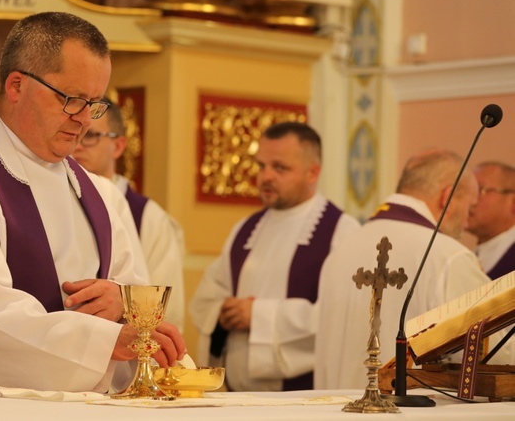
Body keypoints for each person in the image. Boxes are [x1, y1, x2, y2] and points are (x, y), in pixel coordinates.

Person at [0, 11, 186, 397]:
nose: (83, 120)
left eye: (93, 104)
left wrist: (124, 304)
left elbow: (136, 298)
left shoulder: (96, 191)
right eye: (72, 100)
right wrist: (102, 343)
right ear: (16, 85)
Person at [188, 122, 360, 391]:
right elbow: (207, 298)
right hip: (237, 398)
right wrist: (223, 311)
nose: (265, 176)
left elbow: (343, 318)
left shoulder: (341, 231)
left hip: (303, 399)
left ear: (312, 172)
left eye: (279, 168)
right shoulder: (246, 229)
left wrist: (258, 315)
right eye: (261, 166)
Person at [314, 149, 493, 389]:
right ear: (447, 198)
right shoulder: (448, 256)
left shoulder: (341, 249)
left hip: (333, 411)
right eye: (469, 208)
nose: (467, 222)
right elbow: (498, 353)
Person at [71, 103, 187, 331]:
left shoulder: (149, 218)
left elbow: (165, 305)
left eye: (91, 135)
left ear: (118, 145)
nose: (78, 145)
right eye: (76, 132)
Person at [466, 161, 515, 279]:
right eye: (468, 191)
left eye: (480, 190)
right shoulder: (469, 256)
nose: (470, 200)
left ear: (513, 203)